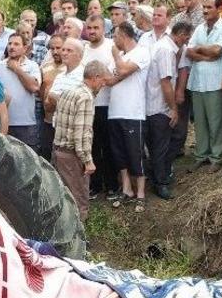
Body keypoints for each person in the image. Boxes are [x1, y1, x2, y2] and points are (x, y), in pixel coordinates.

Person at [53, 61, 111, 220]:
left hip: (58, 152)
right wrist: (88, 160)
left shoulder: (68, 92)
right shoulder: (85, 97)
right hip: (73, 157)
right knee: (79, 202)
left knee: (62, 200)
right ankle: (78, 241)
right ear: (95, 77)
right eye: (103, 81)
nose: (103, 85)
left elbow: (56, 121)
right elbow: (82, 132)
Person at [105, 23, 152, 211]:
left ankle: (140, 192)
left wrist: (116, 56)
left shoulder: (141, 52)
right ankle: (126, 189)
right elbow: (108, 80)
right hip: (114, 111)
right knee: (119, 153)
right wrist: (120, 66)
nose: (113, 41)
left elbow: (122, 71)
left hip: (133, 112)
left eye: (115, 36)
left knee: (136, 153)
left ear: (124, 35)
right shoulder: (121, 58)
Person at [145, 21, 193, 199]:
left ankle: (158, 176)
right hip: (159, 107)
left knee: (159, 145)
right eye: (186, 38)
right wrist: (173, 109)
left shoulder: (164, 47)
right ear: (180, 35)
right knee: (161, 146)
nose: (186, 42)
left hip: (153, 106)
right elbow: (166, 83)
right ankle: (161, 183)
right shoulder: (166, 51)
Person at [187, 0, 222, 170]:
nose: (205, 11)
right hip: (197, 81)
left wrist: (199, 49)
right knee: (200, 122)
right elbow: (188, 52)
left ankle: (216, 157)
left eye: (209, 7)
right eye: (204, 7)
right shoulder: (199, 28)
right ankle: (201, 154)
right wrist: (204, 55)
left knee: (216, 121)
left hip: (215, 81)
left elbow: (217, 51)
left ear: (219, 8)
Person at [81, 15, 118, 201]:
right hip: (88, 106)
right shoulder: (84, 49)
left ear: (103, 28)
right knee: (92, 146)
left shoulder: (111, 47)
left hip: (107, 105)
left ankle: (112, 185)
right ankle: (94, 186)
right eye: (89, 28)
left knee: (109, 147)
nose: (92, 31)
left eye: (96, 27)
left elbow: (112, 77)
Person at [0, 34, 41, 151]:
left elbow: (34, 87)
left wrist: (17, 69)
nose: (12, 47)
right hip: (3, 123)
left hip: (26, 124)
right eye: (10, 43)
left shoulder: (33, 66)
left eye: (16, 44)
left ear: (25, 48)